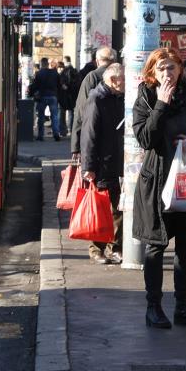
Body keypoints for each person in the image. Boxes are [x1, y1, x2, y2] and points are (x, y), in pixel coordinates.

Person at [132, 47, 186, 329]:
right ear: (151, 74)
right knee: (156, 246)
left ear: (180, 69)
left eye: (171, 67)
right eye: (160, 69)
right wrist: (161, 104)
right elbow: (145, 138)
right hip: (157, 182)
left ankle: (183, 306)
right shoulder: (146, 96)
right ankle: (153, 307)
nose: (167, 73)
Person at [80, 63, 125, 265]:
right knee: (100, 208)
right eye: (124, 78)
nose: (127, 81)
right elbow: (89, 135)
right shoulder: (96, 99)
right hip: (102, 163)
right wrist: (88, 167)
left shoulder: (119, 97)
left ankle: (115, 247)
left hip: (118, 161)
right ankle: (96, 248)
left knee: (118, 207)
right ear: (114, 80)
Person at [69, 46, 116, 155]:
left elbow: (81, 110)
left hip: (95, 135)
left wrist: (75, 146)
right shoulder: (123, 76)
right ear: (114, 60)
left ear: (97, 61)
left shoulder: (92, 77)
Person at [31, 57, 62, 141]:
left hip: (42, 97)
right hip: (53, 96)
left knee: (41, 117)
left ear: (41, 64)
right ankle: (56, 134)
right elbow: (59, 85)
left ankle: (40, 135)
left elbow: (35, 86)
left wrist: (32, 93)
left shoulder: (39, 73)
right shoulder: (55, 73)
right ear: (47, 64)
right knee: (54, 116)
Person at [57, 58, 79, 134]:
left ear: (65, 61)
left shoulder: (63, 72)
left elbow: (61, 84)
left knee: (62, 114)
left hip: (63, 96)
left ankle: (63, 130)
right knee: (71, 113)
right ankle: (72, 130)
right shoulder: (75, 71)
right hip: (73, 95)